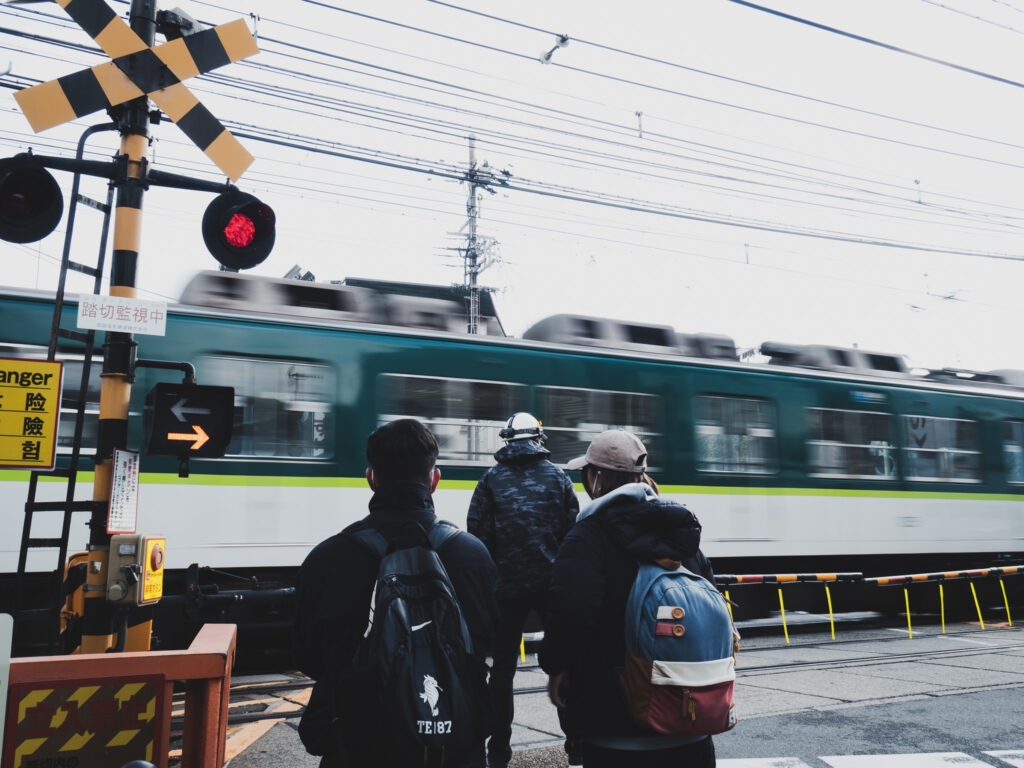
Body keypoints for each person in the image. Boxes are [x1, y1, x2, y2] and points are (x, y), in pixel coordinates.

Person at [294, 418, 499, 768]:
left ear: (371, 478)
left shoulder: (328, 557)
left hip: (357, 743)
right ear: (434, 480)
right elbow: (490, 644)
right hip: (453, 745)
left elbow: (308, 658)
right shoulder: (473, 554)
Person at [540, 430, 717, 768]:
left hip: (616, 730)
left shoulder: (587, 538)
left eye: (585, 474)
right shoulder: (679, 530)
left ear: (597, 478)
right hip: (689, 719)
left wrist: (556, 667)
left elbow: (571, 614)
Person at [467, 412, 579, 768]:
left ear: (507, 440)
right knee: (563, 663)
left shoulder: (490, 479)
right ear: (538, 439)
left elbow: (477, 536)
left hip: (505, 590)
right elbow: (571, 533)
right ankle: (576, 745)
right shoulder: (558, 477)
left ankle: (498, 752)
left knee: (501, 671)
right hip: (551, 587)